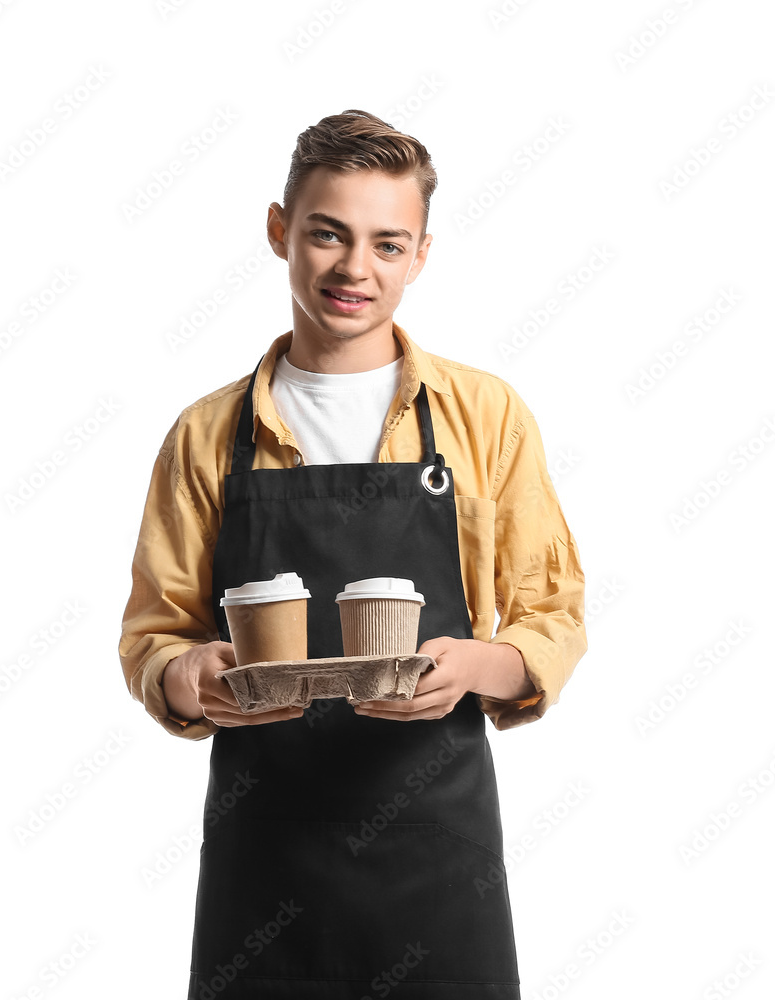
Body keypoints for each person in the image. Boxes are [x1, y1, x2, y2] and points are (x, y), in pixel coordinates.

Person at [119, 109, 587, 999]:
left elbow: (551, 613)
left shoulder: (484, 415)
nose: (354, 269)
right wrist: (193, 680)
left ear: (420, 255)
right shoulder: (207, 434)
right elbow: (153, 633)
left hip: (438, 851)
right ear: (278, 231)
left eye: (386, 243)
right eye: (327, 234)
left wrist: (480, 666)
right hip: (266, 859)